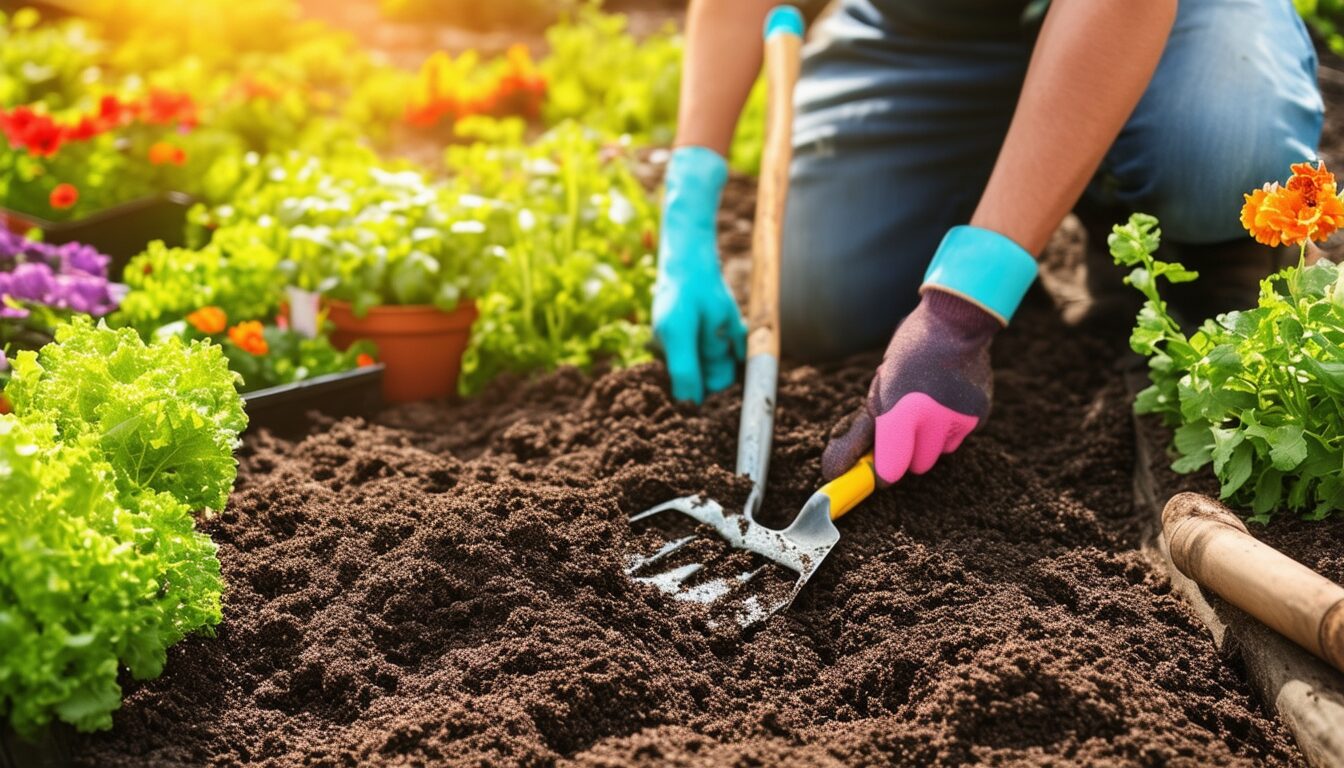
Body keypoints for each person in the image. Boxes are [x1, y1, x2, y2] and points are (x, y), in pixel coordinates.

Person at [653, 0, 1323, 486]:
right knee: (821, 298)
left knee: (1221, 153)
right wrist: (685, 218)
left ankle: (1130, 209)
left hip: (1164, 19)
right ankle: (1014, 181)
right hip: (930, 28)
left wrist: (961, 313)